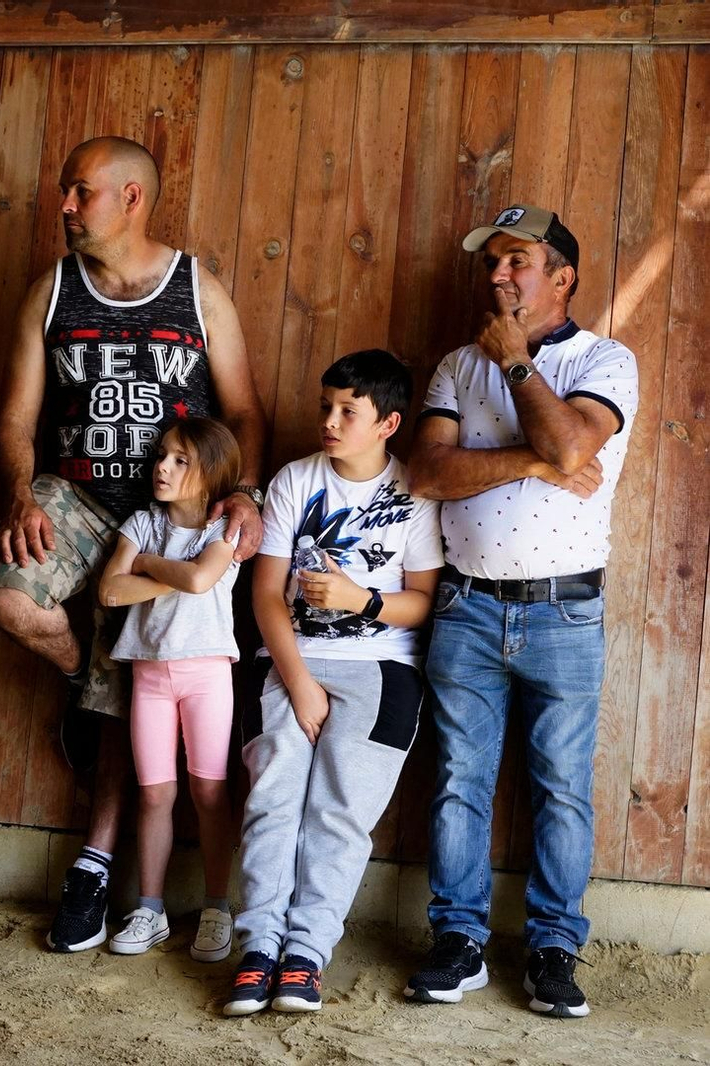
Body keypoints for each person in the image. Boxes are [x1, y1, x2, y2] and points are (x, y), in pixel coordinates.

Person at [0, 136, 267, 954]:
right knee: (7, 592)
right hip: (78, 502)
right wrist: (20, 496)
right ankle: (81, 676)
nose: (63, 205)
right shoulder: (52, 290)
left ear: (132, 198)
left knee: (139, 688)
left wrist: (242, 492)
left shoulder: (196, 288)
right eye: (64, 190)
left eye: (79, 191)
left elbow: (244, 411)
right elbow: (15, 418)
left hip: (170, 519)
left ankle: (96, 872)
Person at [403, 205, 638, 1019]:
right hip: (466, 606)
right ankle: (458, 940)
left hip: (564, 612)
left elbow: (575, 445)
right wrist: (534, 465)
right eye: (492, 263)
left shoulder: (604, 359)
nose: (498, 275)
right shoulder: (454, 365)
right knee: (458, 782)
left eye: (517, 262)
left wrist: (515, 364)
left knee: (562, 788)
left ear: (562, 278)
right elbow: (427, 474)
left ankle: (553, 950)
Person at [224, 350, 442, 1015]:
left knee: (340, 813)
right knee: (273, 799)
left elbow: (422, 602)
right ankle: (258, 949)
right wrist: (298, 682)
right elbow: (266, 594)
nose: (330, 420)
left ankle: (305, 956)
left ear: (388, 423)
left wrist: (359, 600)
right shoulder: (296, 479)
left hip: (382, 668)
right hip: (291, 660)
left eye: (349, 410)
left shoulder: (415, 492)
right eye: (326, 406)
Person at [98, 417, 242, 961]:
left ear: (212, 474)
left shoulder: (224, 529)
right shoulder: (142, 521)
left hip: (207, 675)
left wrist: (148, 566)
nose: (162, 467)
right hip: (150, 676)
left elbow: (202, 580)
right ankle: (150, 908)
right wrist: (174, 573)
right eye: (162, 455)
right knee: (155, 792)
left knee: (209, 791)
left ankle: (216, 907)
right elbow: (111, 592)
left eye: (181, 461)